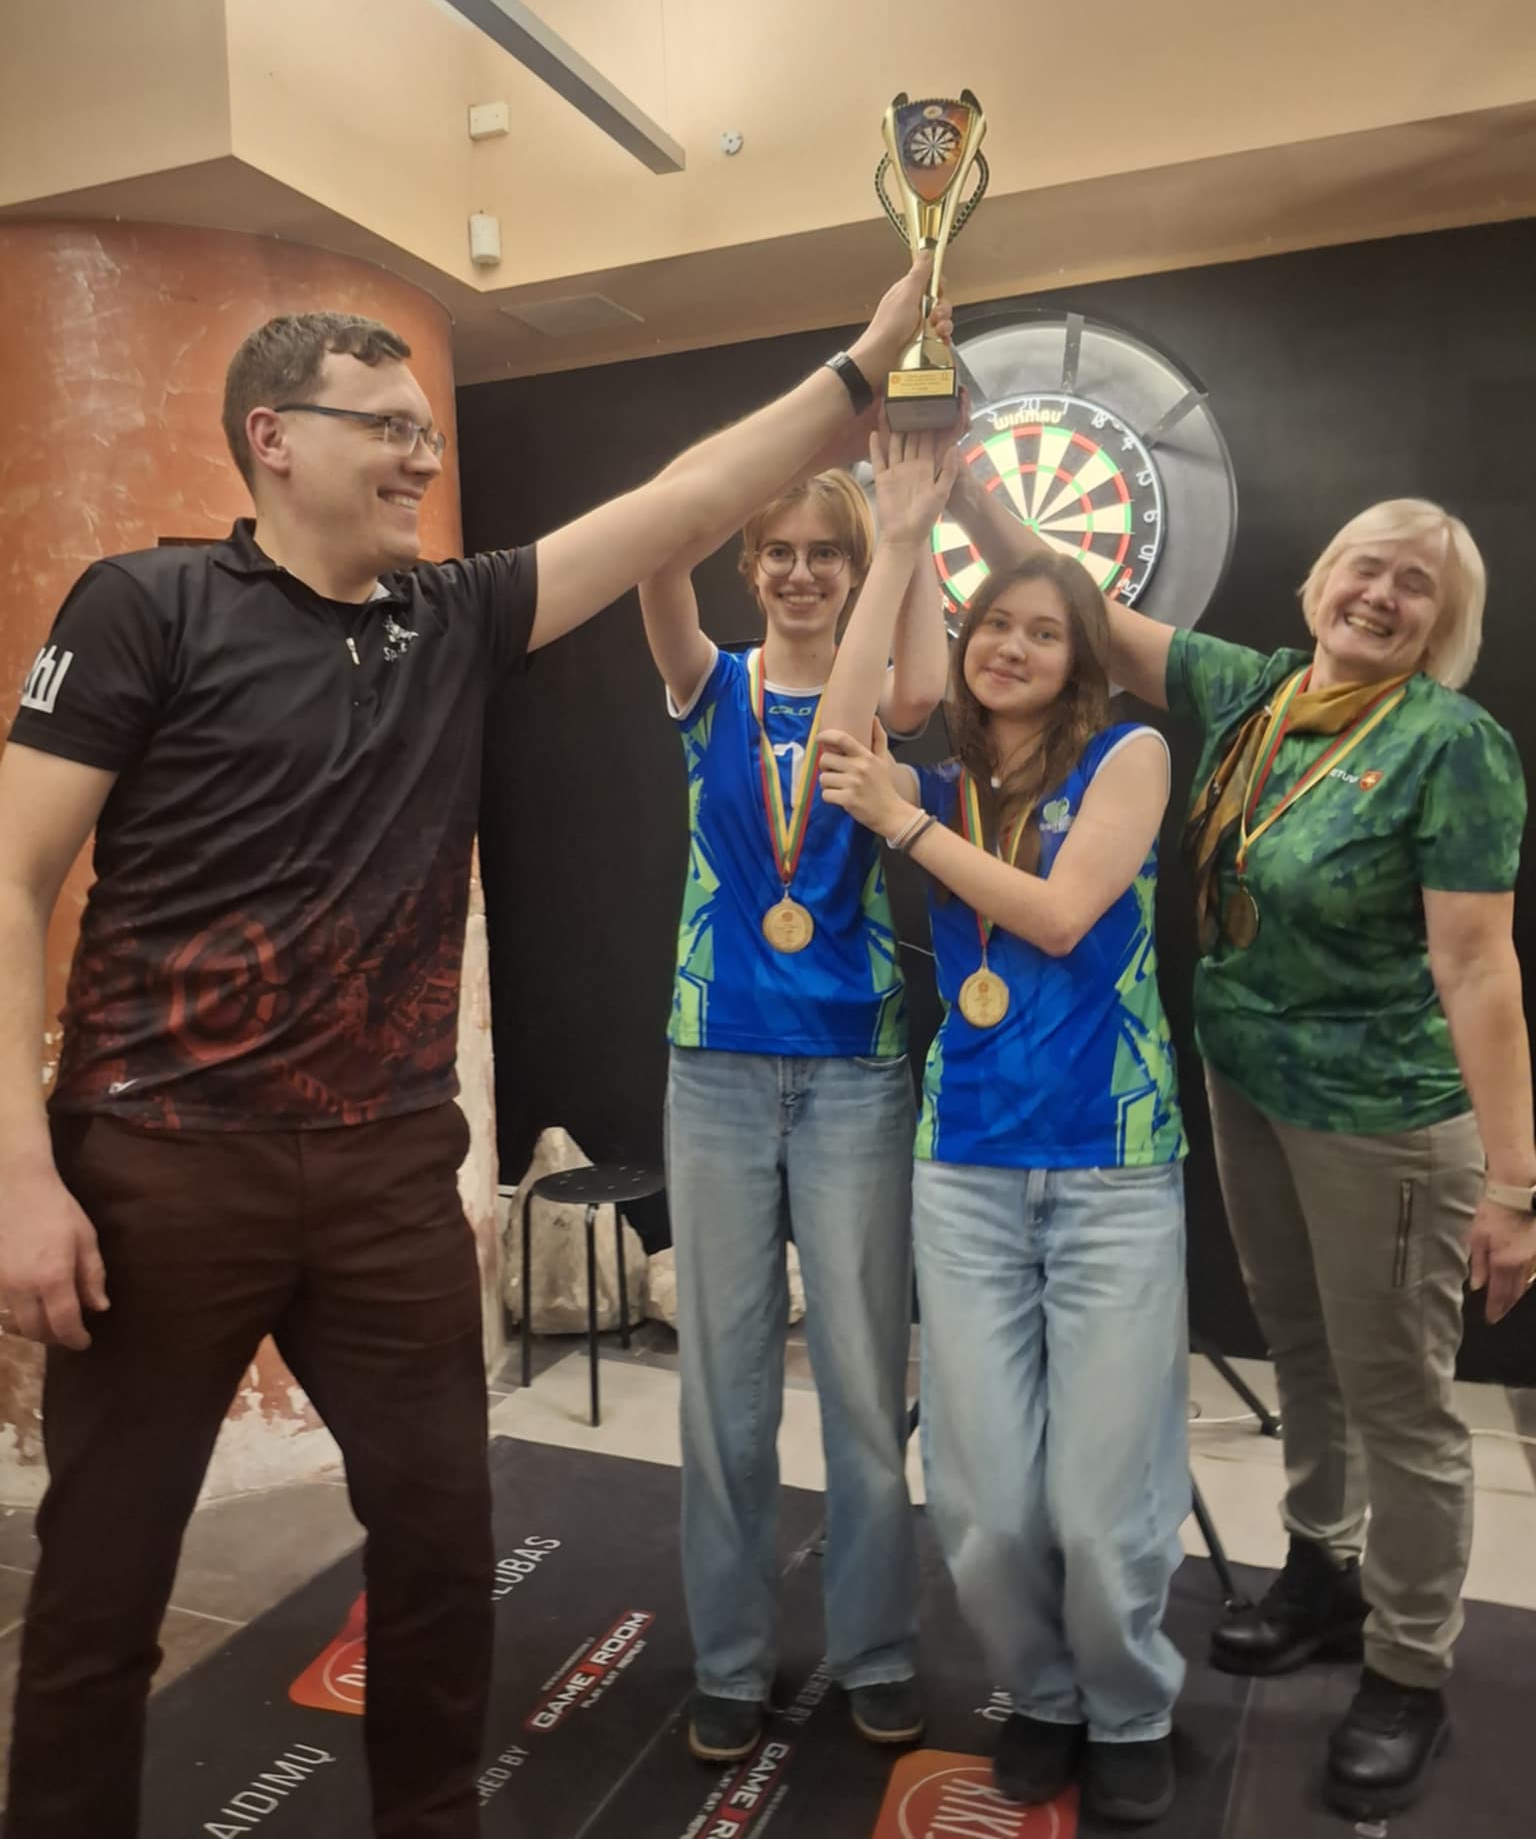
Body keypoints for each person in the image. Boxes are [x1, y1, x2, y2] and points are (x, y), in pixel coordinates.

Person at [0, 259, 938, 1839]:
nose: (423, 458)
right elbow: (14, 874)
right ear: (273, 437)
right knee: (102, 1585)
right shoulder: (146, 606)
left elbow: (686, 498)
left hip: (385, 1173)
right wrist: (21, 1173)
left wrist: (866, 361)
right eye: (388, 428)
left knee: (442, 1549)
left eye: (428, 432)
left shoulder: (451, 616)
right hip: (162, 1170)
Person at [946, 474, 1535, 1821]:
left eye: (1418, 586)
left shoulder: (1452, 744)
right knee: (1304, 1344)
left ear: (1444, 625)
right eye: (1367, 566)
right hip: (1249, 1086)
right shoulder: (1253, 691)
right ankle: (1325, 1571)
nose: (1381, 595)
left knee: (1401, 1398)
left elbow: (1480, 965)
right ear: (1321, 578)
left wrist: (1516, 1182)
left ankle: (1410, 1666)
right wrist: (964, 481)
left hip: (1385, 1116)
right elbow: (1076, 598)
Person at [817, 430, 1191, 1826]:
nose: (1013, 646)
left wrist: (906, 829)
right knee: (977, 1503)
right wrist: (901, 541)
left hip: (1111, 1168)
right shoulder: (941, 781)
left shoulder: (1130, 754)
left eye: (1045, 630)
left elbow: (1058, 915)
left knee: (1101, 1501)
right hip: (967, 1167)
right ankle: (1041, 1696)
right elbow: (841, 743)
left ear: (1081, 658)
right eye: (995, 626)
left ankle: (1130, 1705)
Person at [639, 410, 950, 1759]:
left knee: (866, 1383)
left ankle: (874, 1646)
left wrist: (906, 529)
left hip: (854, 1071)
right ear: (750, 562)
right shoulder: (703, 681)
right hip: (715, 1062)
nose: (805, 571)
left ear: (855, 566)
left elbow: (902, 689)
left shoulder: (878, 698)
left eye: (830, 551)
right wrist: (787, 449)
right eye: (783, 549)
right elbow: (656, 546)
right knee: (724, 1389)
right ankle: (729, 1658)